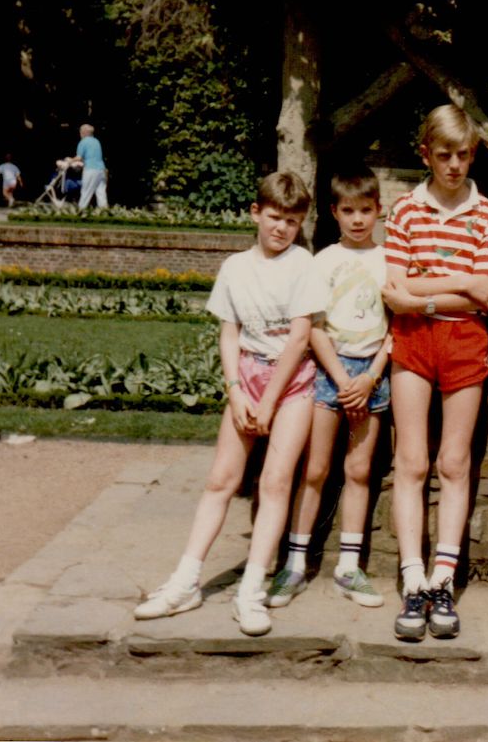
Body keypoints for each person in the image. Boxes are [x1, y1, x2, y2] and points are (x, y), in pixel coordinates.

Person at [133, 172, 323, 636]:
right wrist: (236, 390)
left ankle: (251, 590)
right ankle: (185, 583)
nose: (281, 228)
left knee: (275, 483)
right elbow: (229, 332)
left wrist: (270, 400)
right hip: (248, 377)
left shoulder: (303, 264)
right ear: (256, 213)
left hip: (292, 383)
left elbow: (300, 338)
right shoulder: (235, 267)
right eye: (274, 217)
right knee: (221, 479)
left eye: (292, 221)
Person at [380, 104, 488, 642]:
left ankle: (443, 580)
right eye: (444, 154)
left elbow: (486, 293)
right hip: (413, 339)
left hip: (465, 341)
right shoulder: (405, 211)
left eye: (463, 155)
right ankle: (413, 580)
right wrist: (457, 285)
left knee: (454, 461)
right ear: (425, 153)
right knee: (411, 460)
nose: (454, 165)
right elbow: (395, 287)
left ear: (473, 155)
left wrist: (423, 292)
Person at [267, 163, 392, 612]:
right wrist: (341, 378)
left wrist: (370, 376)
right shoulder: (323, 261)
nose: (358, 219)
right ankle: (294, 564)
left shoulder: (389, 261)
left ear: (379, 210)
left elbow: (396, 328)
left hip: (371, 376)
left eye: (366, 210)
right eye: (348, 211)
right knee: (316, 469)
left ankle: (349, 568)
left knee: (359, 471)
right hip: (330, 372)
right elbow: (314, 327)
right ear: (334, 212)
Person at [75, 124, 108, 209]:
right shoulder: (96, 141)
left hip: (91, 169)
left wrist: (69, 160)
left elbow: (79, 158)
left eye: (80, 131)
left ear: (83, 132)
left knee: (86, 192)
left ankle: (81, 210)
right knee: (101, 193)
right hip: (102, 170)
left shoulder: (83, 142)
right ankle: (104, 211)